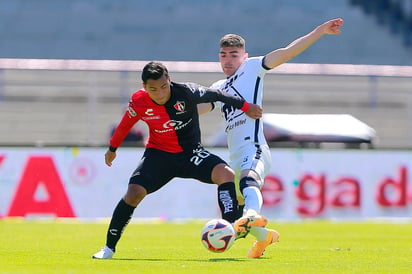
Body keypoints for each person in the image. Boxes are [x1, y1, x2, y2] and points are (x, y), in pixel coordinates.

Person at [203, 18, 344, 258]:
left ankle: (252, 214)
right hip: (234, 155)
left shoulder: (253, 67)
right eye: (224, 55)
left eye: (233, 55)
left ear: (244, 56)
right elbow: (200, 109)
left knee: (249, 182)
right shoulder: (218, 86)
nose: (228, 60)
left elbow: (287, 52)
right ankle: (265, 236)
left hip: (254, 147)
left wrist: (319, 31)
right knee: (237, 215)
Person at [92, 61, 262, 259]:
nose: (160, 93)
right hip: (159, 156)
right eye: (153, 89)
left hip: (191, 153)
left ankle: (229, 228)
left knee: (226, 174)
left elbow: (217, 95)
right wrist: (112, 148)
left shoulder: (188, 92)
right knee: (133, 193)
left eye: (164, 87)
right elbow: (125, 124)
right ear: (144, 87)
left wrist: (246, 107)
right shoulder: (139, 101)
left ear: (169, 80)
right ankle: (109, 248)